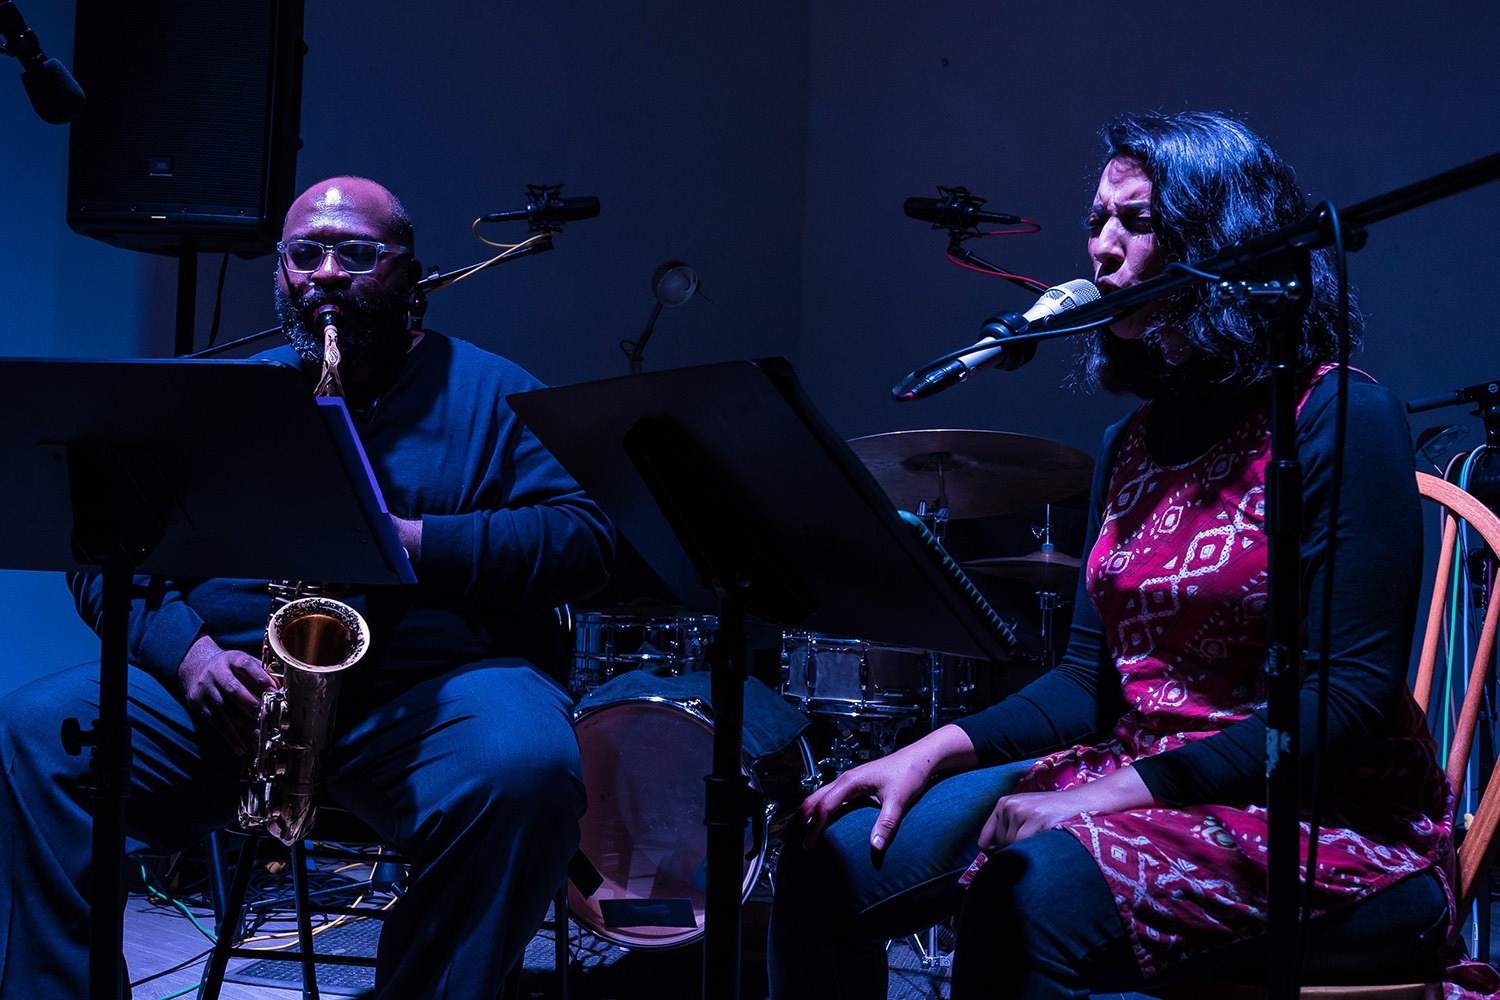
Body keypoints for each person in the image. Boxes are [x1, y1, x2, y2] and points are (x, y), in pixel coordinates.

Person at [768, 112, 1481, 999]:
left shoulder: (1341, 417)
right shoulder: (1132, 442)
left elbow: (1346, 702)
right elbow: (1087, 681)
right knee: (822, 862)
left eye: (1135, 221)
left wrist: (1103, 798)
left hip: (1331, 824)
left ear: (1219, 242)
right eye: (1096, 219)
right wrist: (933, 749)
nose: (1101, 247)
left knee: (1024, 897)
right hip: (1140, 777)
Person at [0, 177, 614, 998]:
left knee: (526, 770)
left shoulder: (494, 391)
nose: (326, 273)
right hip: (230, 700)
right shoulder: (221, 396)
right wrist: (189, 657)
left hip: (431, 700)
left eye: (356, 254)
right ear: (281, 271)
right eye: (305, 254)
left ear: (410, 275)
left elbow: (585, 537)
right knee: (38, 732)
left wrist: (408, 540)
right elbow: (101, 552)